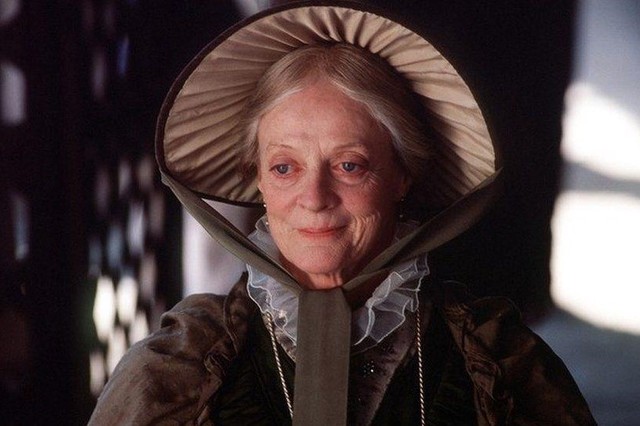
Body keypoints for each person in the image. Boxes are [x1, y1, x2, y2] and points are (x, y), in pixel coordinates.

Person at [89, 2, 595, 425]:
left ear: (402, 175)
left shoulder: (500, 364)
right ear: (258, 178)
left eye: (349, 165)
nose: (314, 197)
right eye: (284, 167)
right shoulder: (177, 370)